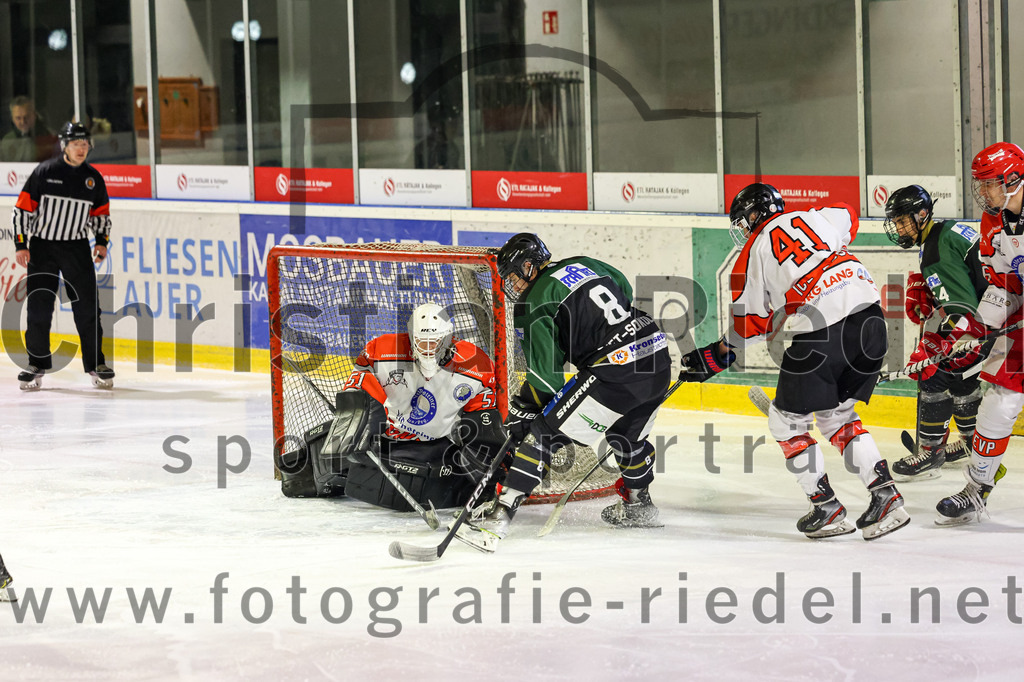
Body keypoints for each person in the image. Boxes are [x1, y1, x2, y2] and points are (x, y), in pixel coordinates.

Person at [679, 183, 909, 540]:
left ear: (754, 216)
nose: (743, 230)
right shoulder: (817, 217)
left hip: (823, 329)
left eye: (744, 221)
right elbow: (848, 213)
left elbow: (749, 324)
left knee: (785, 424)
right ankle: (885, 497)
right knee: (838, 416)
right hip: (873, 319)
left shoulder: (752, 253)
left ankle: (827, 508)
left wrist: (714, 356)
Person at [456, 233, 673, 552]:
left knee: (541, 434)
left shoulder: (533, 302)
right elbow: (622, 288)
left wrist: (521, 412)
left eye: (514, 276)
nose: (512, 286)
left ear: (530, 268)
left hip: (617, 367)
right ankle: (640, 506)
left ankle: (498, 518)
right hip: (656, 353)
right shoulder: (583, 263)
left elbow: (545, 382)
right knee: (626, 438)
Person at [279, 302, 508, 512]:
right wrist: (363, 424)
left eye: (434, 343)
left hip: (438, 447)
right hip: (389, 439)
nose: (427, 350)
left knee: (473, 461)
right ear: (411, 337)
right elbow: (358, 390)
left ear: (449, 338)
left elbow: (482, 418)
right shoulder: (383, 350)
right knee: (315, 470)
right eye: (421, 342)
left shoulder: (475, 364)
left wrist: (485, 464)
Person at [925, 142, 1024, 525]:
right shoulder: (993, 222)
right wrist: (974, 329)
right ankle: (977, 488)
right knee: (999, 403)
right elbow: (1004, 288)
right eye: (979, 185)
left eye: (989, 184)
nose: (982, 192)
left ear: (1013, 179)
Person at [883, 185, 989, 480]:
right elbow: (967, 272)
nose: (899, 228)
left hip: (985, 320)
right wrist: (925, 283)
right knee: (961, 377)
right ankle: (971, 443)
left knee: (934, 371)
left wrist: (940, 344)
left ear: (921, 215)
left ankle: (931, 451)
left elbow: (962, 308)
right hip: (999, 310)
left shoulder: (934, 252)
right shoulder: (945, 230)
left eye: (903, 221)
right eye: (896, 222)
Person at [12, 121, 114, 390]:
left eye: (85, 144)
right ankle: (36, 364)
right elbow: (22, 210)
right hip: (43, 247)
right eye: (76, 144)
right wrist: (21, 245)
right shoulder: (45, 172)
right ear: (64, 146)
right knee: (39, 307)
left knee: (88, 308)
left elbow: (101, 214)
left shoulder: (93, 179)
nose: (81, 149)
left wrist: (101, 242)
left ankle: (95, 364)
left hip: (77, 248)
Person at [1, 96, 57, 163]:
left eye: (26, 117)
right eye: (18, 118)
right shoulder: (7, 140)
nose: (23, 122)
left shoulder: (50, 136)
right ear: (12, 119)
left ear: (34, 115)